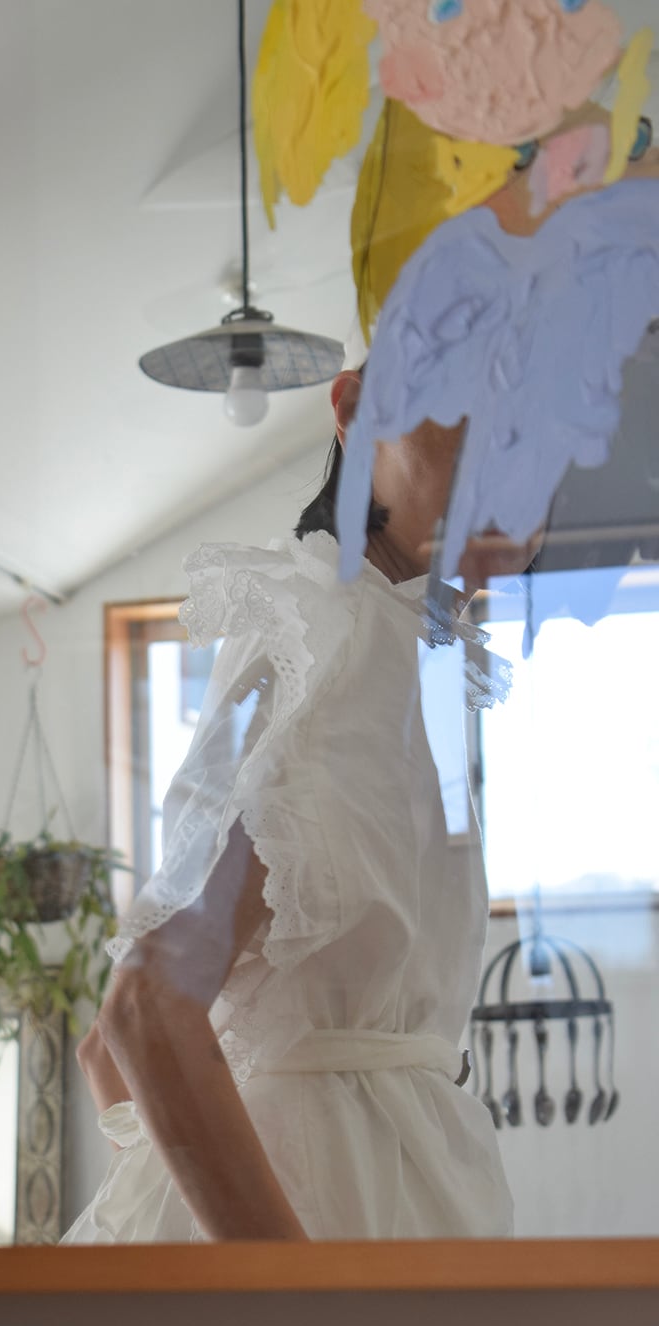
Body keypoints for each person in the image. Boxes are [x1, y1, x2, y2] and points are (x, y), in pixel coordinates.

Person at [62, 369, 538, 1244]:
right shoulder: (330, 643)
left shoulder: (397, 651)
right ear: (356, 410)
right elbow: (144, 1010)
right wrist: (296, 1292)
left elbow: (106, 1044)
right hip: (331, 1217)